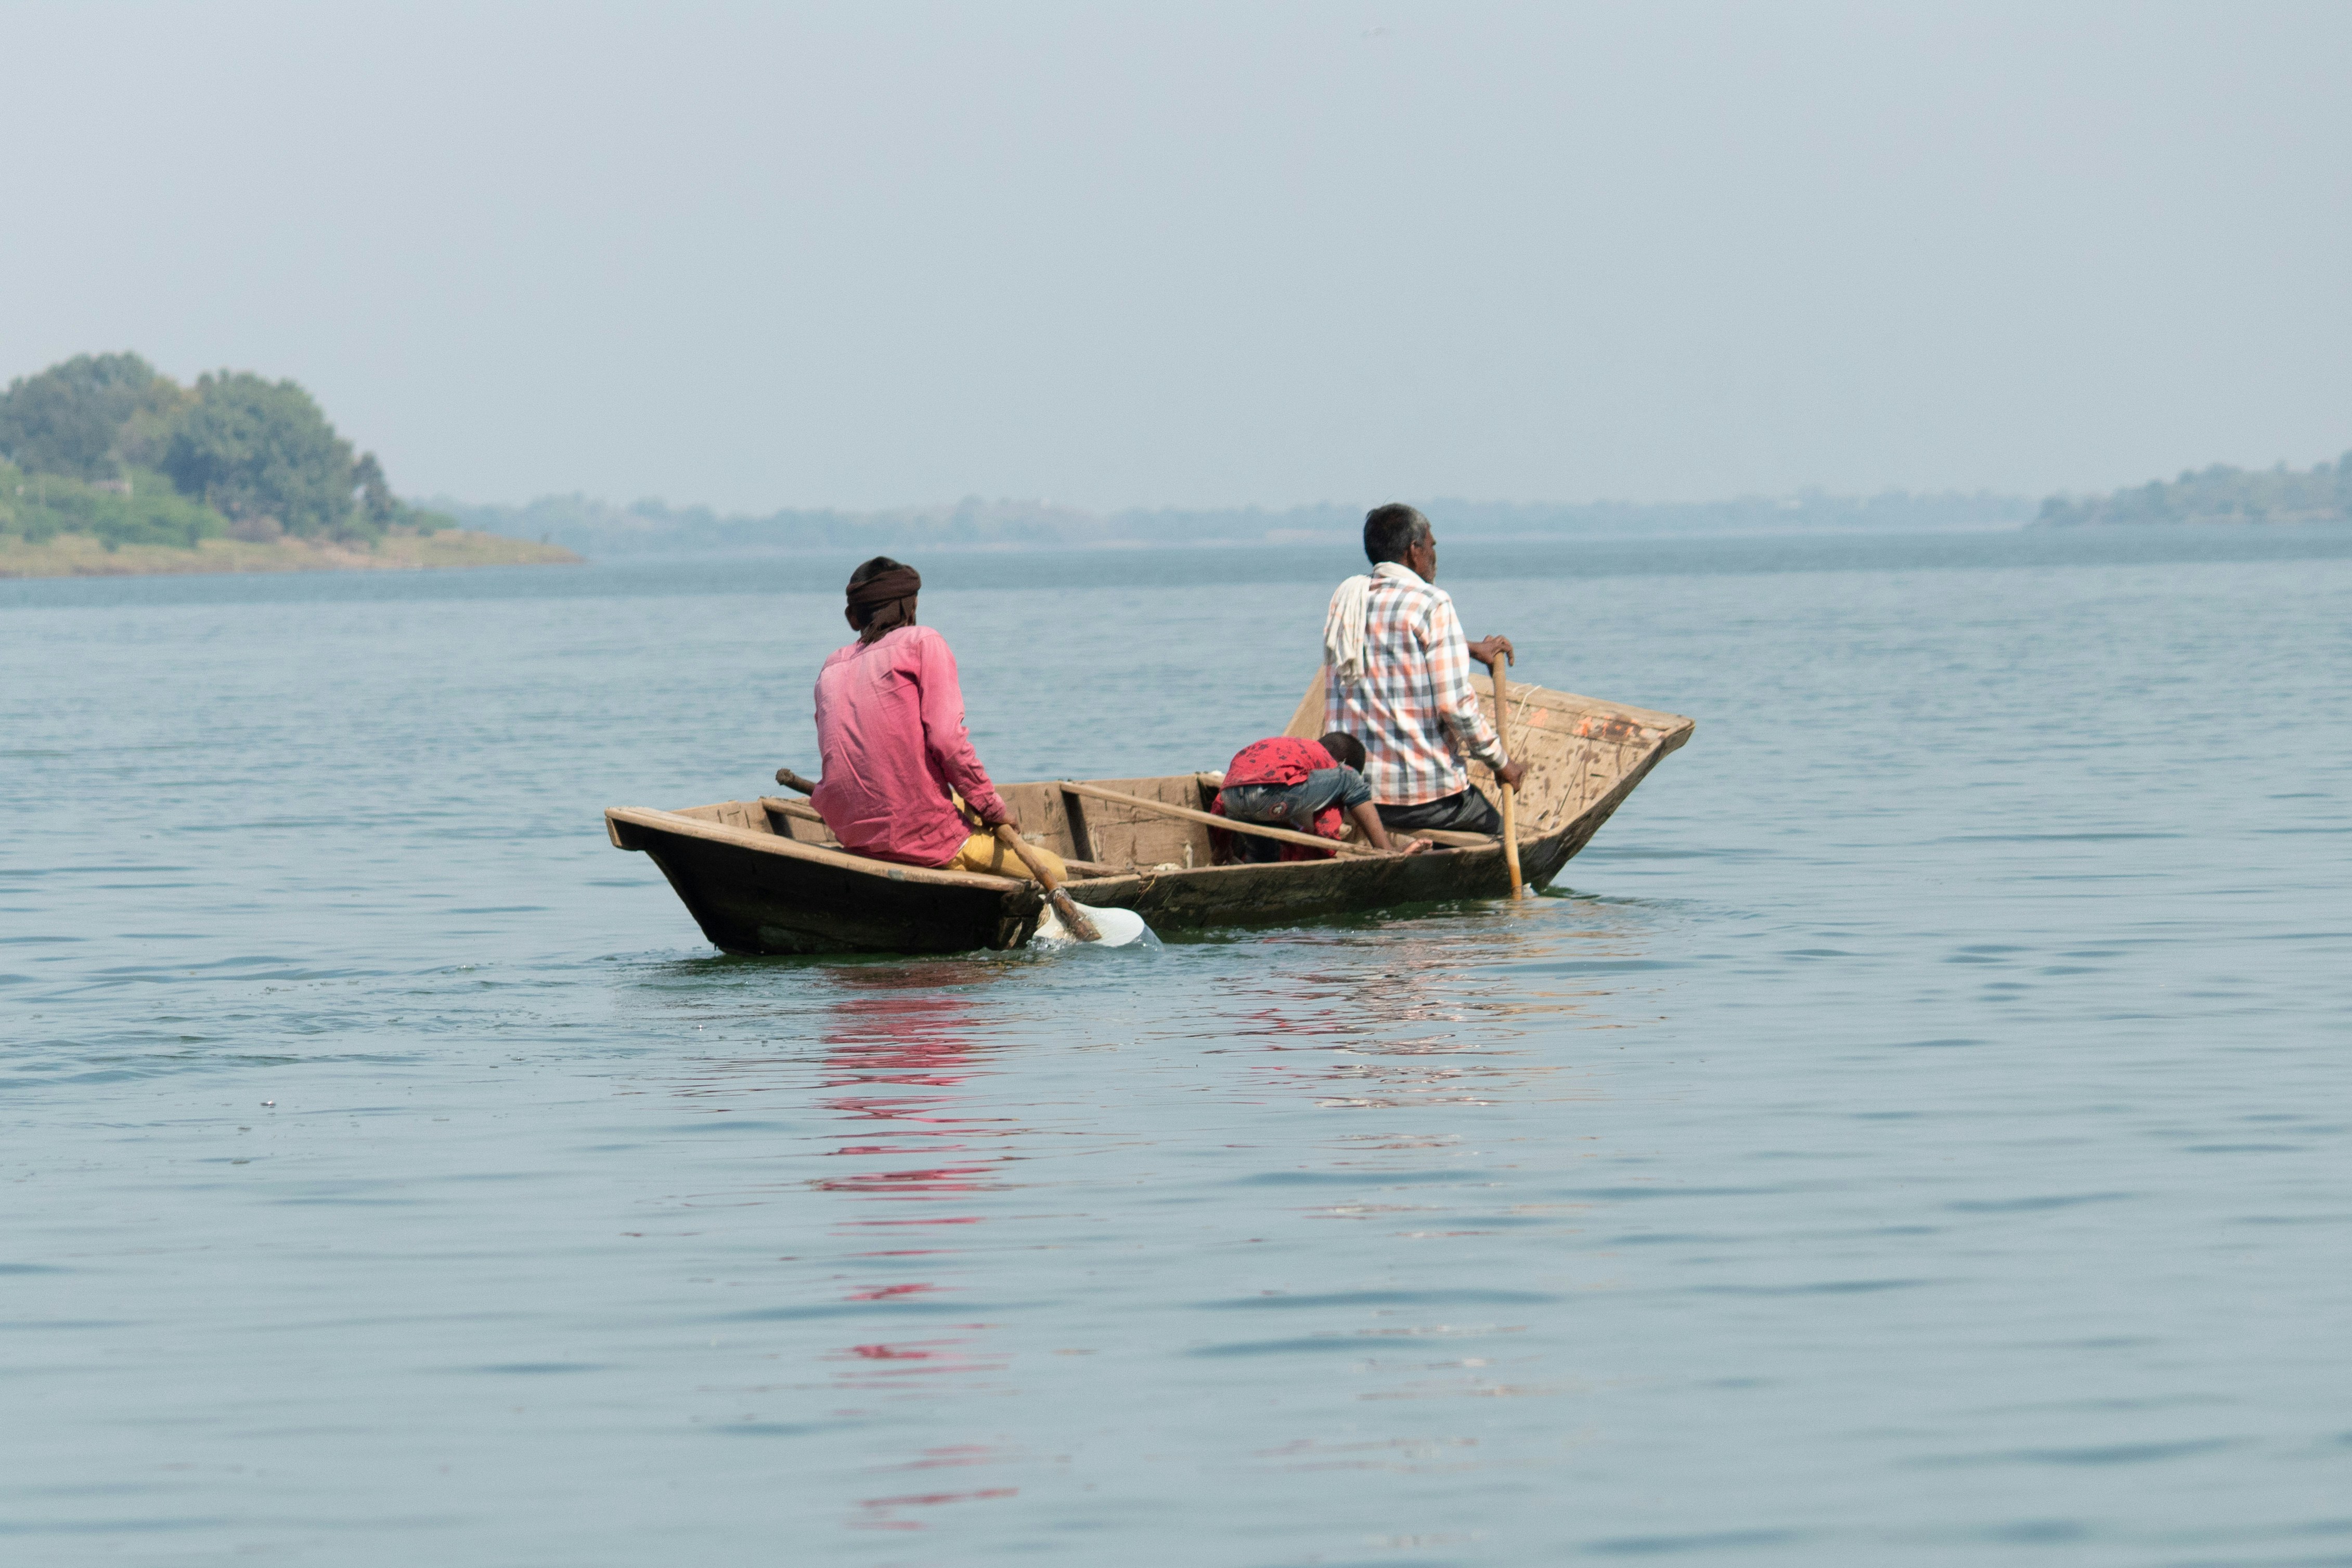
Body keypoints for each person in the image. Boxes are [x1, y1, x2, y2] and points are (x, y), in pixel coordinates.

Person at [809, 556, 1066, 882]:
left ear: (854, 615)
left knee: (958, 798)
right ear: (909, 607)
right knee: (1058, 870)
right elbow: (947, 741)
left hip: (853, 835)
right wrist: (992, 810)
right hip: (923, 838)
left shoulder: (831, 667)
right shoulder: (922, 642)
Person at [1322, 503, 1526, 836]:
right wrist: (1503, 764)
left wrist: (1469, 647)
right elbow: (1454, 706)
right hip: (1424, 798)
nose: (1434, 554)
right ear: (1413, 551)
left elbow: (1392, 645)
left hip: (1353, 795)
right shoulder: (1432, 602)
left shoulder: (1347, 600)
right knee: (1500, 838)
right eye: (1431, 545)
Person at [1212, 731, 1427, 862]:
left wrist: (1221, 848)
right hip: (1273, 796)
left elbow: (1219, 803)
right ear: (1340, 761)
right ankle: (1387, 851)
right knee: (1349, 780)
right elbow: (1327, 826)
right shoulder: (1327, 761)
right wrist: (1328, 849)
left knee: (1264, 849)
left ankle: (1259, 869)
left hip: (1231, 798)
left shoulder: (1292, 749)